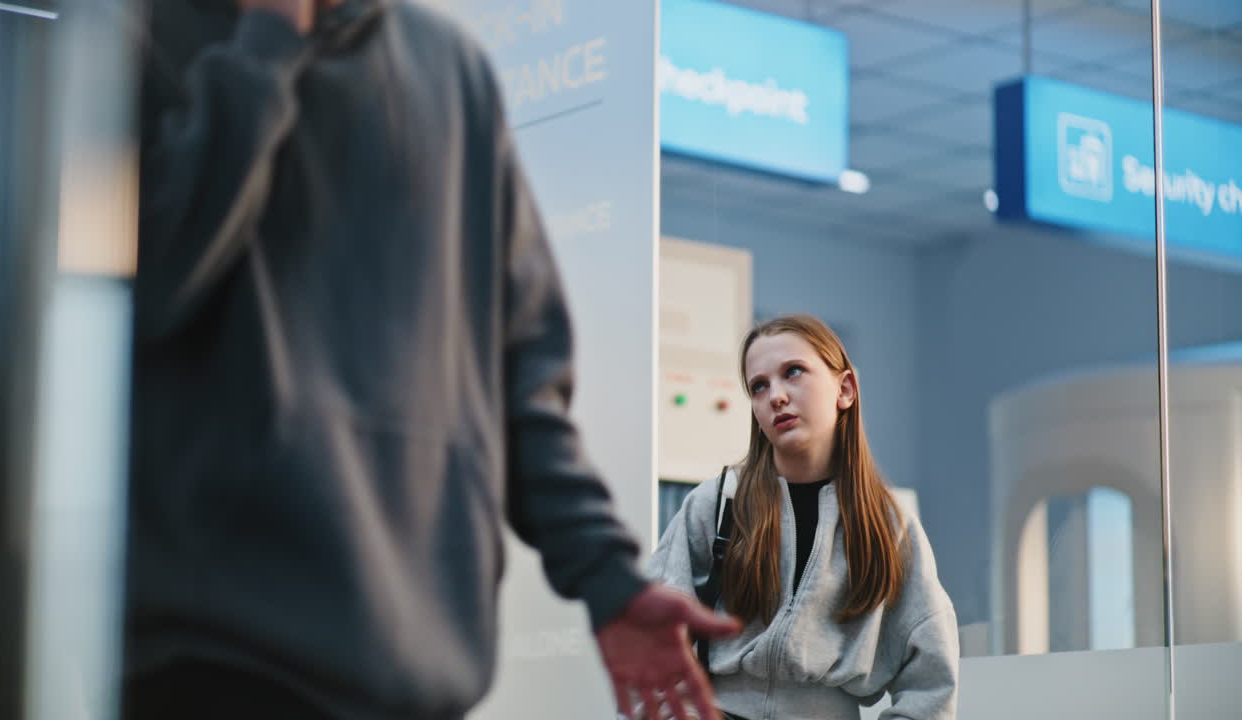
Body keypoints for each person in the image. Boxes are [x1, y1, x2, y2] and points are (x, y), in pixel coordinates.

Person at [123, 1, 738, 719]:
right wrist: (265, 47)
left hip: (419, 675)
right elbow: (143, 285)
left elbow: (525, 384)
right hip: (211, 662)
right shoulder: (136, 33)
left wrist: (606, 577)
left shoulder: (451, 67)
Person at [647, 315, 959, 720]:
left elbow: (932, 680)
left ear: (845, 389)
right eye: (759, 386)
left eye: (793, 372)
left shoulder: (888, 526)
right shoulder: (718, 504)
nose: (775, 396)